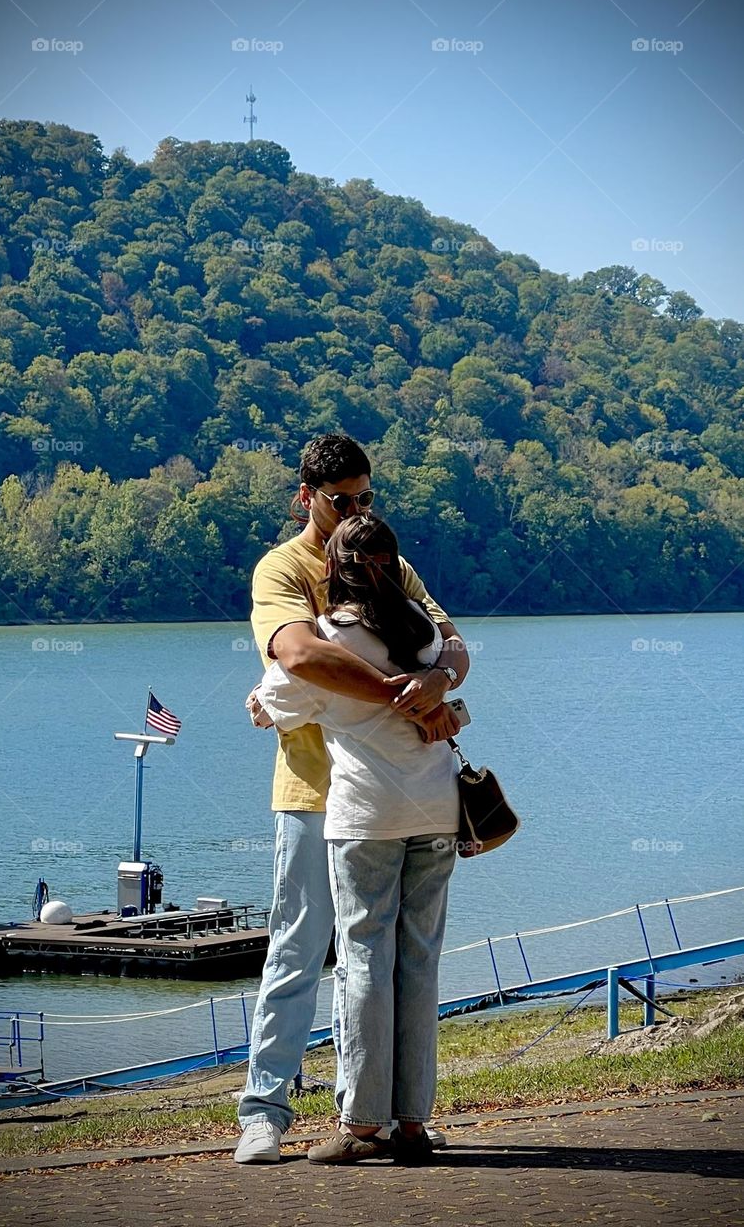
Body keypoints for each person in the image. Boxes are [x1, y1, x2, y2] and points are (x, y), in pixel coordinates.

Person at [234, 434, 469, 1164]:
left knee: (376, 960)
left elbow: (452, 643)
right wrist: (416, 701)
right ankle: (266, 1112)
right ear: (305, 497)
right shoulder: (283, 567)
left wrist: (439, 686)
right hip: (314, 788)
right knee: (301, 952)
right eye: (343, 499)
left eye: (366, 497)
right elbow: (301, 653)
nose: (356, 509)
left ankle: (368, 1116)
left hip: (377, 801)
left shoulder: (389, 559)